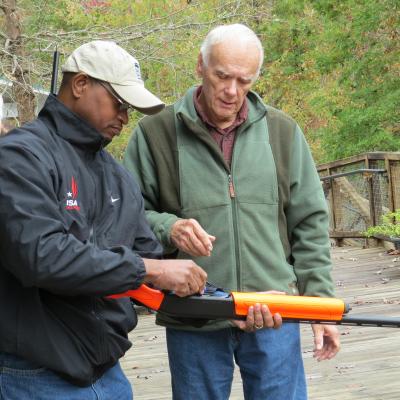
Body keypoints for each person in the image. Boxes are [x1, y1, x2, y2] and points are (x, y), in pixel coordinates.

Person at [123, 24, 340, 400]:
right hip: (194, 314)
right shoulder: (154, 134)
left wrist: (318, 302)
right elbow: (126, 216)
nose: (232, 91)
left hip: (274, 309)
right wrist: (168, 227)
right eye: (222, 76)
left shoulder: (283, 131)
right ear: (200, 66)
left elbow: (310, 222)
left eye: (244, 80)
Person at [0, 40, 207, 400]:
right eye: (119, 103)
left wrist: (225, 308)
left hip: (108, 373)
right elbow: (42, 256)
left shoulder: (118, 176)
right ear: (80, 84)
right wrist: (151, 270)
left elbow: (148, 263)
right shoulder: (20, 157)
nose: (125, 118)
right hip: (32, 374)